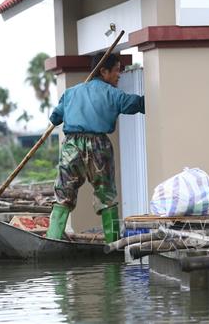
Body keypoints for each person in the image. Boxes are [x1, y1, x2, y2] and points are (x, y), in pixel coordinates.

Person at [46, 53, 145, 243]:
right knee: (106, 194)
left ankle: (52, 240)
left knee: (63, 193)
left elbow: (55, 118)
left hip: (71, 146)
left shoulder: (71, 93)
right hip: (98, 146)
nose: (119, 75)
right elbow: (136, 104)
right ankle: (113, 243)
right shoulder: (113, 94)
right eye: (116, 70)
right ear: (103, 71)